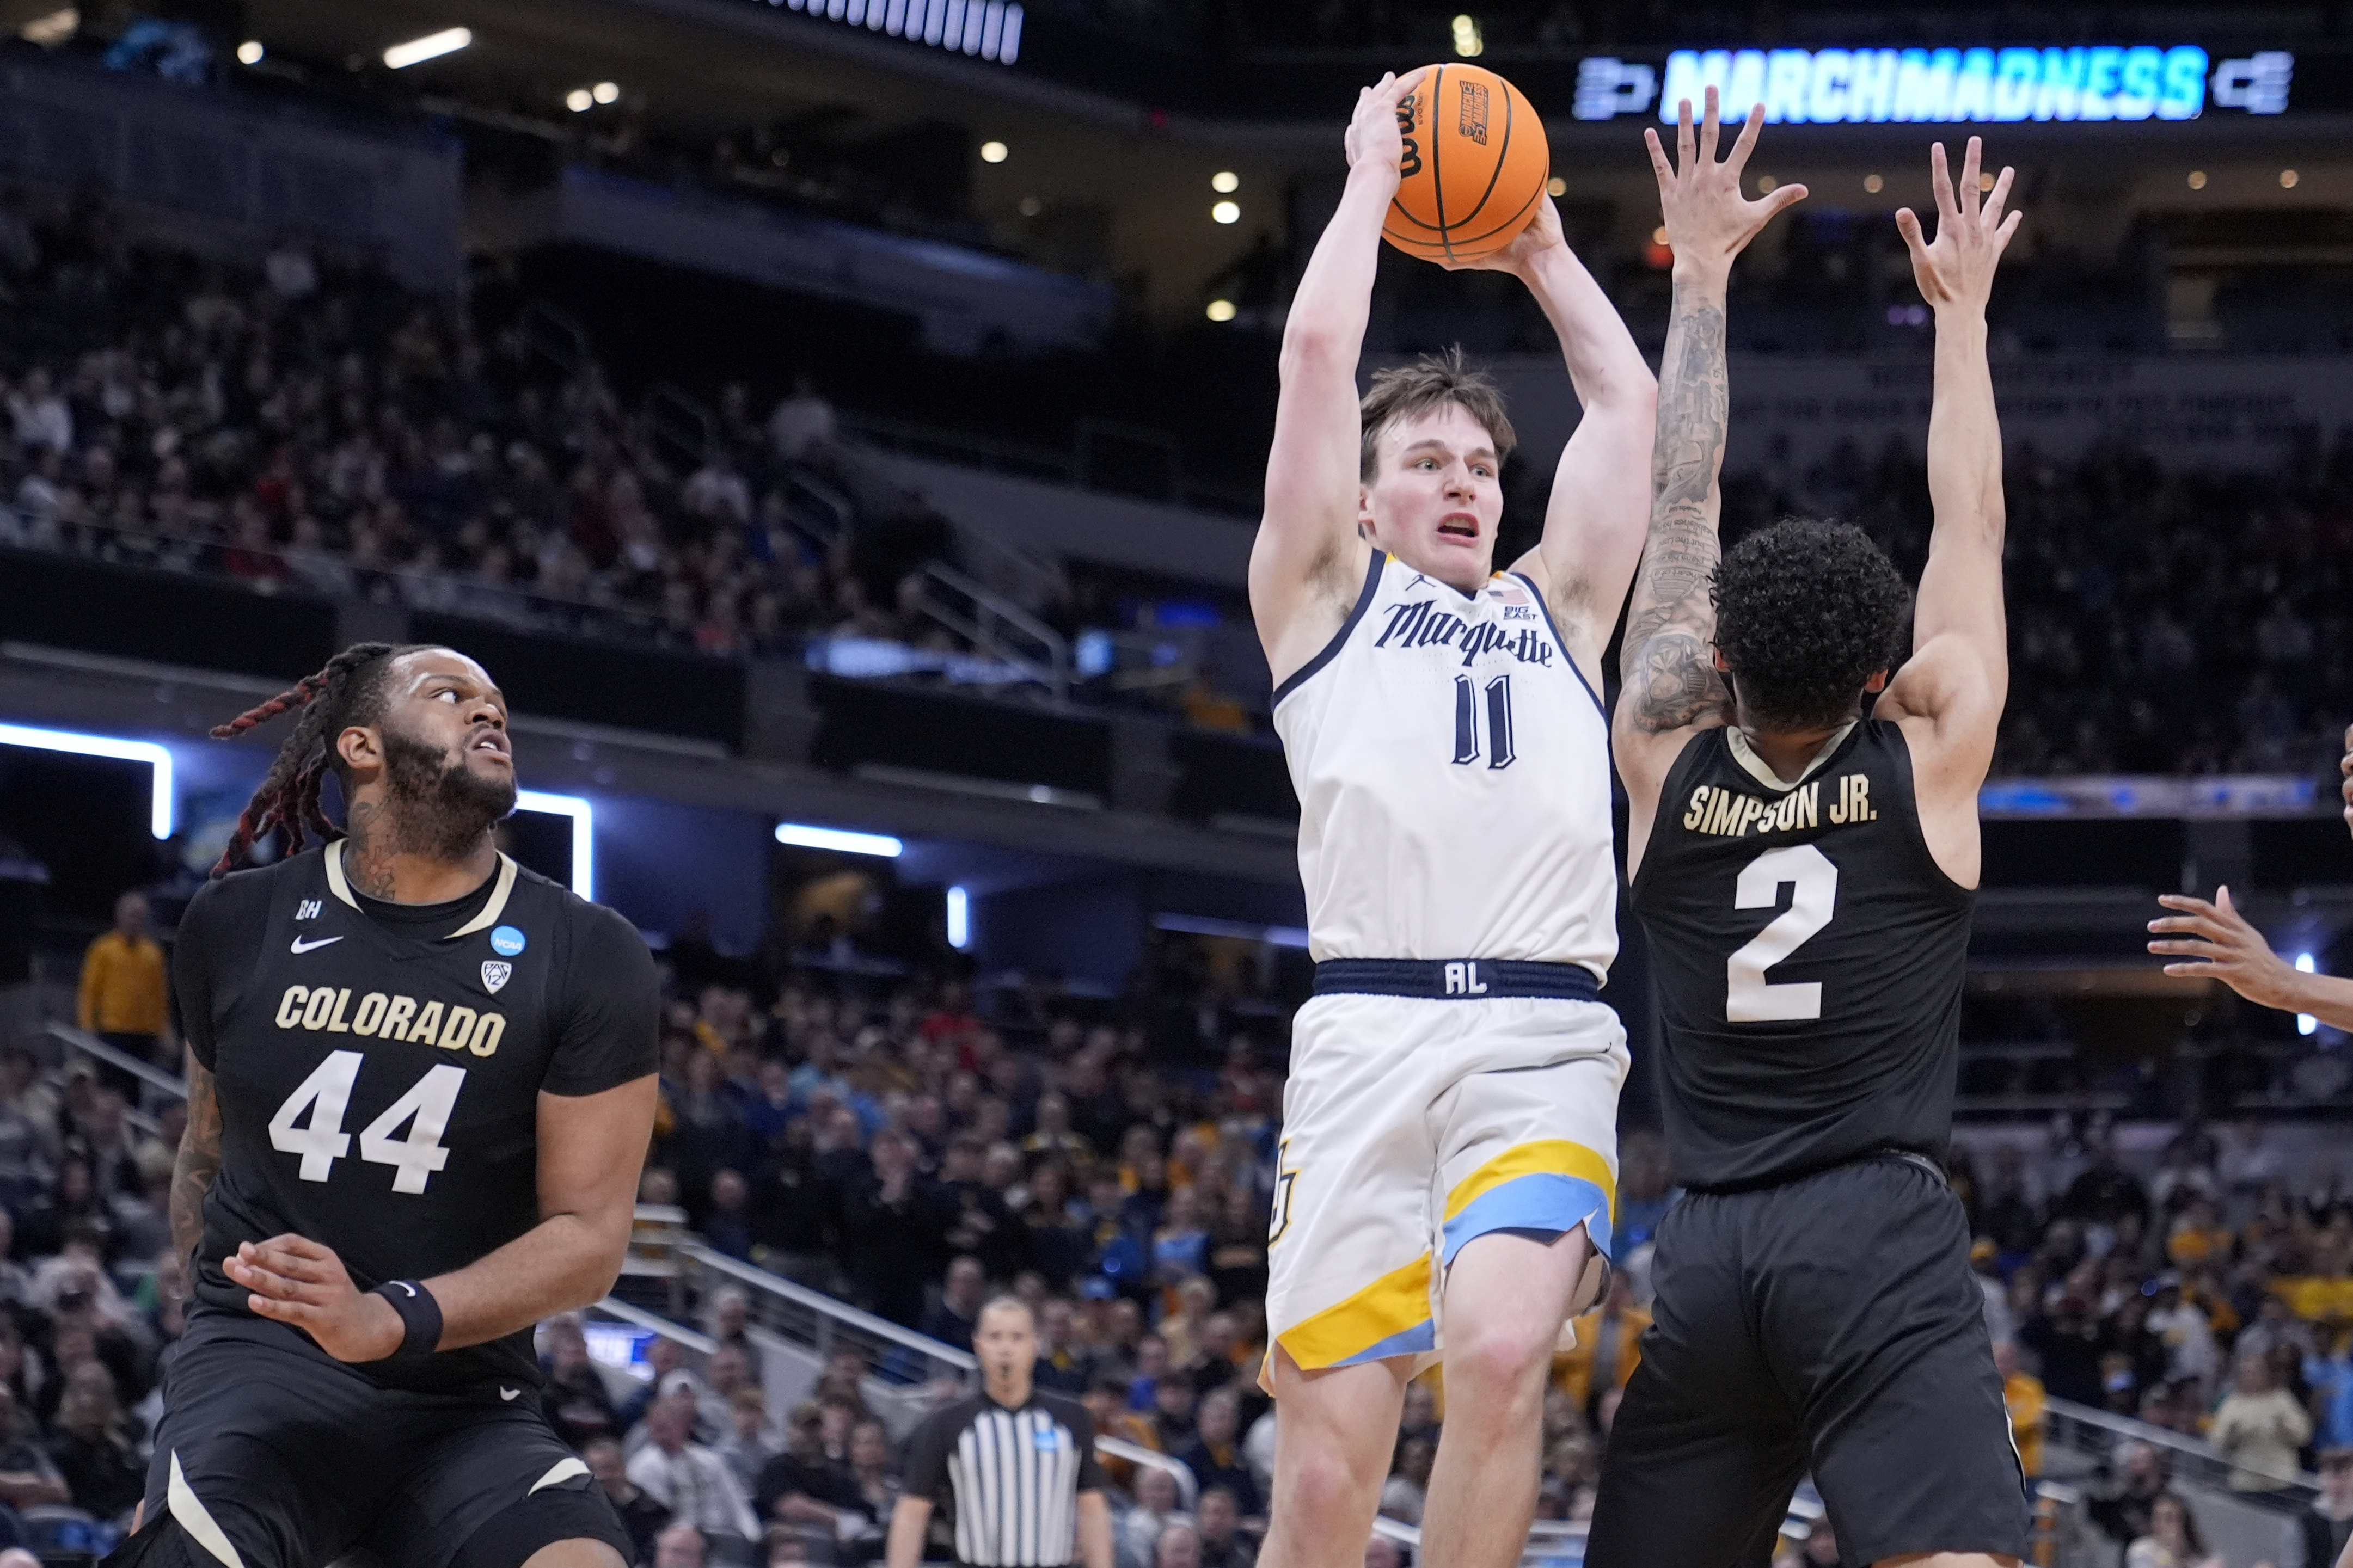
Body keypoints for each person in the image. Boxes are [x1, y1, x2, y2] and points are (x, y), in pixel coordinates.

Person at [1586, 103, 2030, 1568]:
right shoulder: (1929, 751)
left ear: (1715, 656)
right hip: (1874, 1236)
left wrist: (1699, 273)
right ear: (1872, 672)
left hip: (1707, 1246)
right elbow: (1968, 521)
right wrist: (1954, 318)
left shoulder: (1660, 747)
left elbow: (1679, 494)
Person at [1248, 63, 1656, 1568]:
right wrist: (1368, 177)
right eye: (1426, 463)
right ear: (1363, 504)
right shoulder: (1315, 607)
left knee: (1496, 1360)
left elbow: (1629, 408)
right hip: (1362, 1043)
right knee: (1319, 1486)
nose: (1466, 482)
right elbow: (1312, 354)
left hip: (1542, 1039)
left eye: (1483, 464)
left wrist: (1541, 248)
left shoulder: (1560, 612)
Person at [109, 642, 660, 1568]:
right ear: (360, 744)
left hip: (464, 1399)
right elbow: (209, 1155)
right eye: (451, 695)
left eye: (497, 703)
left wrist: (389, 1317)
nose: (490, 714)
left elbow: (590, 1239)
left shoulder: (592, 952)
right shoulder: (235, 923)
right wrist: (216, 1368)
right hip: (264, 1375)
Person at [885, 1295, 1113, 1568]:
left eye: (1017, 1337)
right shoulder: (947, 1423)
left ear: (1035, 1345)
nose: (1006, 1348)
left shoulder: (1072, 1418)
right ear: (979, 1345)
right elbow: (912, 1510)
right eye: (995, 1337)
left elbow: (1092, 1508)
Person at [628, 1394, 759, 1546]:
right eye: (656, 1430)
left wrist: (754, 1538)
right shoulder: (642, 1466)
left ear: (683, 1427)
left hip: (720, 1536)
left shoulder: (710, 1460)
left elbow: (736, 1503)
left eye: (666, 1429)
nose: (661, 1436)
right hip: (676, 1542)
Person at [77, 890, 171, 1082]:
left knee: (137, 1087)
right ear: (119, 916)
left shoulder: (153, 953)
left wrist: (163, 1030)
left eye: (140, 916)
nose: (135, 921)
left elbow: (160, 995)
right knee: (111, 1082)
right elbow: (90, 991)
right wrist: (87, 1025)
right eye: (131, 915)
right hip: (113, 1029)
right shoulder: (103, 949)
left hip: (145, 1032)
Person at [2208, 1352, 2312, 1492]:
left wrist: (2284, 1427)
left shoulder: (2282, 1399)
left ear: (2266, 1374)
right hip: (2245, 1482)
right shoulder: (2231, 1404)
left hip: (2280, 1482)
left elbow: (2303, 1436)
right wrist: (2233, 1432)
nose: (2251, 1377)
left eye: (2256, 1372)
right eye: (2246, 1373)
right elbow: (2217, 1443)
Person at [586, 1436, 672, 1567]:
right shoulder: (583, 1508)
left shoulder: (649, 1508)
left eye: (608, 1468)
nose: (601, 1476)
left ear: (623, 1468)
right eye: (594, 1469)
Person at [2124, 1492, 2220, 1568]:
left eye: (2169, 1519)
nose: (2161, 1525)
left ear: (2183, 1523)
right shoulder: (2141, 1550)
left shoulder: (2202, 1559)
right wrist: (2171, 1553)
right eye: (2157, 1518)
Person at [1995, 1339, 2046, 1481]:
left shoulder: (2030, 1388)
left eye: (2006, 1360)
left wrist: (2000, 1425)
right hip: (1994, 1469)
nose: (2001, 1366)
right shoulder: (1985, 1388)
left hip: (2026, 1470)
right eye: (1998, 1360)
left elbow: (2034, 1421)